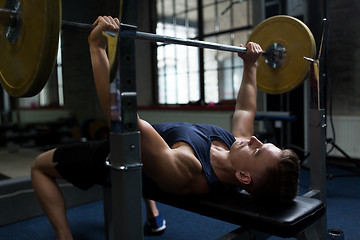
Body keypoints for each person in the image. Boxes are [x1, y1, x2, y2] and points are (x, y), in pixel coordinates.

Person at [31, 16, 300, 240]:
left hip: (114, 154)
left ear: (243, 177)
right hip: (153, 152)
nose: (253, 139)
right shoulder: (235, 147)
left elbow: (125, 120)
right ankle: (152, 212)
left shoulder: (188, 171)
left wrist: (97, 48)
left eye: (257, 150)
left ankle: (64, 237)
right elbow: (244, 109)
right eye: (261, 142)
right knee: (153, 152)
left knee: (39, 167)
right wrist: (251, 65)